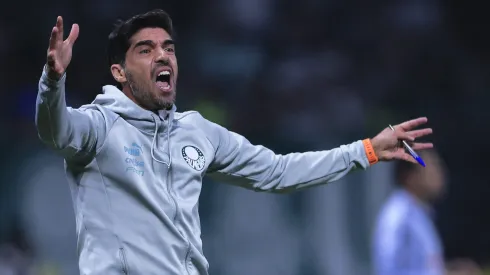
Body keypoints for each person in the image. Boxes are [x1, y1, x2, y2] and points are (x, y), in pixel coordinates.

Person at [35, 9, 433, 275]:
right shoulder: (101, 126)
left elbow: (278, 172)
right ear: (119, 72)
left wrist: (364, 150)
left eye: (169, 48)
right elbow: (56, 130)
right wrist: (53, 81)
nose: (163, 56)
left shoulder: (197, 132)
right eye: (146, 49)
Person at [372, 150, 481, 275]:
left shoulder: (420, 212)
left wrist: (448, 269)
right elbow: (388, 270)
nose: (440, 174)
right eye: (431, 168)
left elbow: (420, 266)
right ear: (410, 176)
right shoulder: (398, 215)